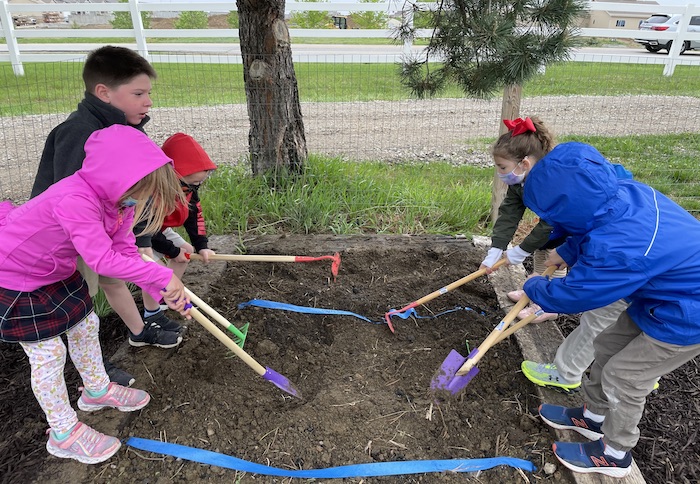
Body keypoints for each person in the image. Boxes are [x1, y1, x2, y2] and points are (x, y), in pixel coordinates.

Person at [0, 125, 191, 464]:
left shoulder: (119, 202)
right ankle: (63, 433)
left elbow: (126, 252)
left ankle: (97, 390)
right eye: (142, 192)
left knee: (86, 326)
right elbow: (101, 260)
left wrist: (162, 286)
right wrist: (161, 275)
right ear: (117, 177)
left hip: (53, 271)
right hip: (14, 277)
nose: (142, 201)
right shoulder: (75, 198)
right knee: (48, 356)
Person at [520, 141, 700, 478]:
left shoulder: (620, 248)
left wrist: (534, 286)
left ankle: (616, 453)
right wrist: (569, 252)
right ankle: (594, 417)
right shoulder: (622, 193)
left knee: (626, 376)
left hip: (688, 316)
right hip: (664, 298)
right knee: (607, 346)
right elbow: (596, 223)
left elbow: (577, 294)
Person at [30, 45, 182, 387]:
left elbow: (130, 195)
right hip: (64, 242)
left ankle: (136, 333)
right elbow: (70, 197)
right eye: (139, 93)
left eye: (148, 94)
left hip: (99, 233)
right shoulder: (79, 132)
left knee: (105, 285)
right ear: (104, 93)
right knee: (78, 304)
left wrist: (137, 239)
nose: (148, 102)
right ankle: (90, 371)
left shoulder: (124, 126)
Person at [480, 116, 566, 323]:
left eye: (502, 167)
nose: (500, 172)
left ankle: (547, 305)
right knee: (542, 249)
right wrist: (496, 249)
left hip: (568, 226)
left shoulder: (552, 182)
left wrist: (521, 250)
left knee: (555, 255)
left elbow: (551, 223)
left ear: (524, 164)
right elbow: (510, 212)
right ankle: (534, 291)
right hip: (552, 225)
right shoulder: (521, 181)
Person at [134, 133, 218, 301]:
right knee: (156, 274)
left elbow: (195, 218)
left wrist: (202, 245)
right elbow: (148, 230)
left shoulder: (189, 191)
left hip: (159, 230)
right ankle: (153, 310)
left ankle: (169, 296)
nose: (195, 189)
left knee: (186, 251)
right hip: (138, 236)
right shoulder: (152, 194)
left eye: (199, 184)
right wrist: (172, 251)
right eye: (191, 184)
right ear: (171, 177)